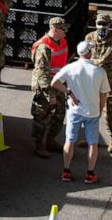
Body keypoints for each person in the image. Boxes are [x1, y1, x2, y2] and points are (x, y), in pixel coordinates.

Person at [51, 40, 110, 183]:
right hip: (92, 112)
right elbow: (104, 94)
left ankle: (66, 171)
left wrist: (69, 92)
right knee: (92, 143)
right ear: (89, 52)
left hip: (75, 111)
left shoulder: (70, 68)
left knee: (70, 140)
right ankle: (90, 174)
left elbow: (54, 83)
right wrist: (101, 109)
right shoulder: (100, 71)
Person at [85, 13, 112, 154]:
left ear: (109, 25)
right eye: (99, 24)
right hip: (91, 81)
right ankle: (89, 137)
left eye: (104, 24)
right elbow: (84, 56)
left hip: (108, 82)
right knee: (90, 110)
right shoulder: (90, 38)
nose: (102, 27)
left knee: (109, 111)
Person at [31, 16, 69, 158]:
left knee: (59, 114)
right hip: (45, 86)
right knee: (42, 115)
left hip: (58, 83)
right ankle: (39, 145)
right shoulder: (44, 47)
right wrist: (49, 94)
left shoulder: (62, 41)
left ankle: (50, 140)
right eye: (63, 29)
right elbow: (42, 73)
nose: (66, 32)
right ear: (54, 29)